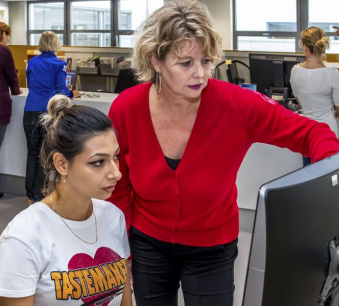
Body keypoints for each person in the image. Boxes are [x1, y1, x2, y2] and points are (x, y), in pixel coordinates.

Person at [107, 1, 339, 306]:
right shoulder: (127, 107)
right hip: (148, 243)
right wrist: (120, 247)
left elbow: (312, 133)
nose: (200, 74)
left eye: (206, 61)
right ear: (156, 61)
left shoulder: (234, 104)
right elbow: (118, 183)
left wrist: (326, 177)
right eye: (185, 63)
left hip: (211, 247)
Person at [0, 94, 132, 306]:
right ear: (62, 164)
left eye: (115, 157)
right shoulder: (23, 237)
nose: (116, 173)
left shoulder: (113, 218)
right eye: (98, 162)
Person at [23, 31, 81, 204]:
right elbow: (62, 90)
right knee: (45, 154)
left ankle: (29, 195)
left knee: (32, 153)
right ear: (55, 44)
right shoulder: (59, 64)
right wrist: (73, 93)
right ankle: (39, 194)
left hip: (29, 110)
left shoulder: (32, 62)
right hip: (48, 113)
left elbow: (31, 83)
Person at [290, 26, 339, 166]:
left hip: (307, 134)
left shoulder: (295, 71)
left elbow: (300, 103)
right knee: (329, 182)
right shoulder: (332, 74)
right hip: (328, 135)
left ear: (305, 48)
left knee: (309, 179)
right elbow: (338, 109)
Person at [0, 21, 22, 199]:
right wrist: (17, 91)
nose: (8, 38)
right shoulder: (3, 51)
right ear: (2, 33)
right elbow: (12, 75)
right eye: (7, 34)